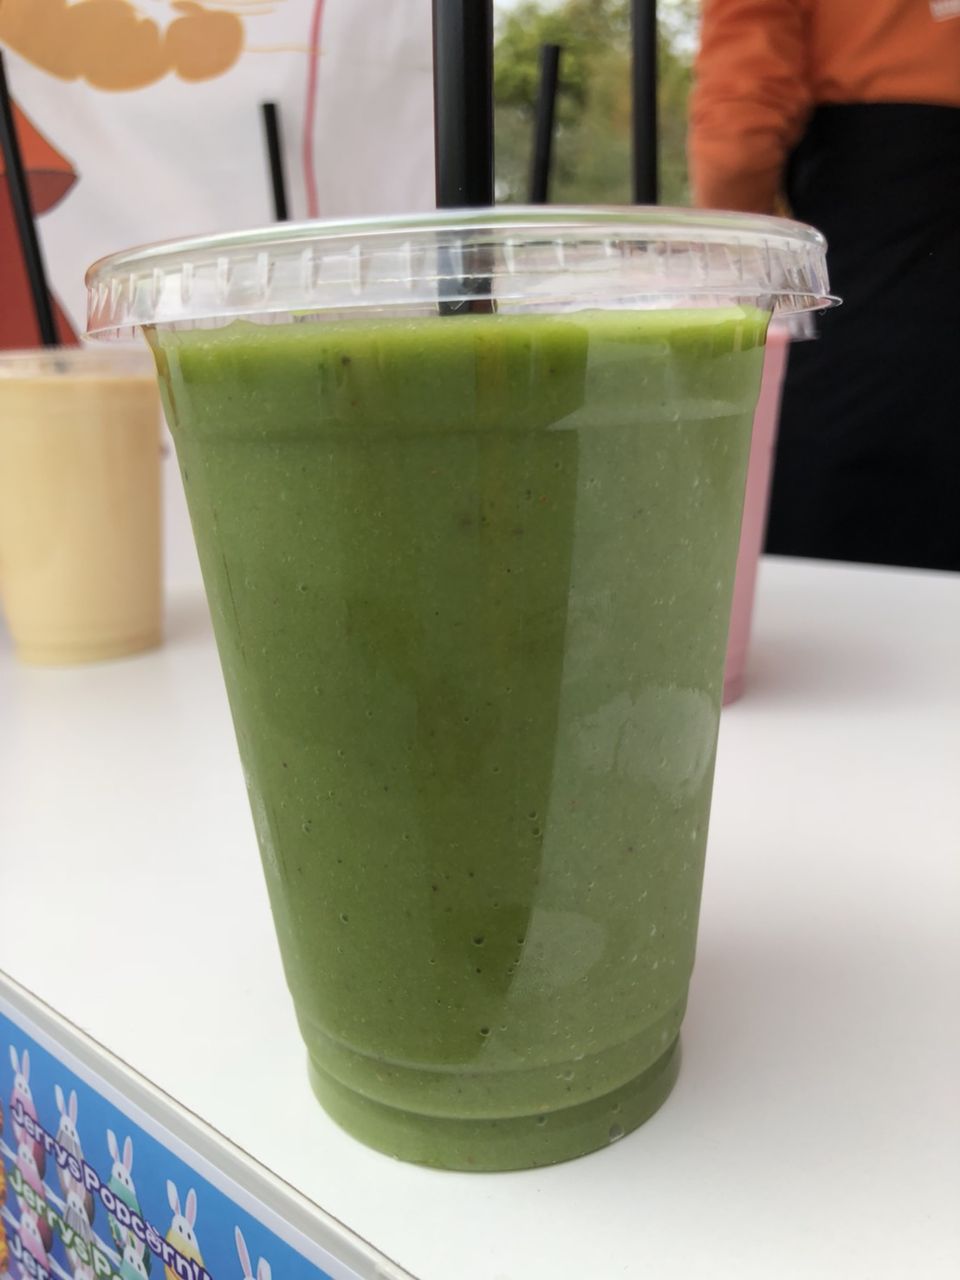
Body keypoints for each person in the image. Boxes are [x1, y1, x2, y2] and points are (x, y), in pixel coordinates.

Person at [688, 0, 960, 571]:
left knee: (845, 557)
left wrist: (744, 276)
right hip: (900, 217)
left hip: (879, 253)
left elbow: (737, 141)